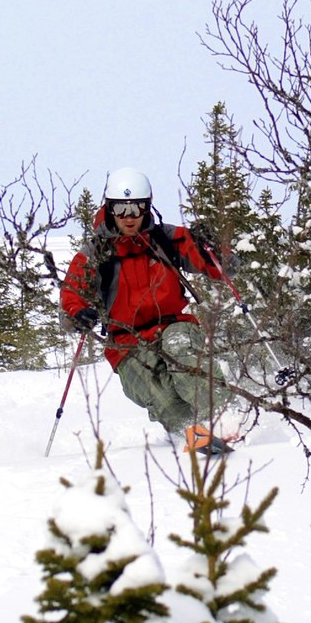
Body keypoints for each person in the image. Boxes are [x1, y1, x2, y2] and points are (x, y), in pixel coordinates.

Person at [60, 167, 233, 454]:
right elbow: (71, 293)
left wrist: (212, 249)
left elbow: (221, 268)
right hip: (126, 344)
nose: (130, 216)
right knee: (160, 394)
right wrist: (78, 313)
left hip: (174, 325)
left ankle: (226, 417)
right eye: (121, 208)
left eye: (136, 207)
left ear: (147, 206)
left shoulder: (166, 238)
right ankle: (189, 432)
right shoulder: (96, 252)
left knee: (182, 353)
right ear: (110, 208)